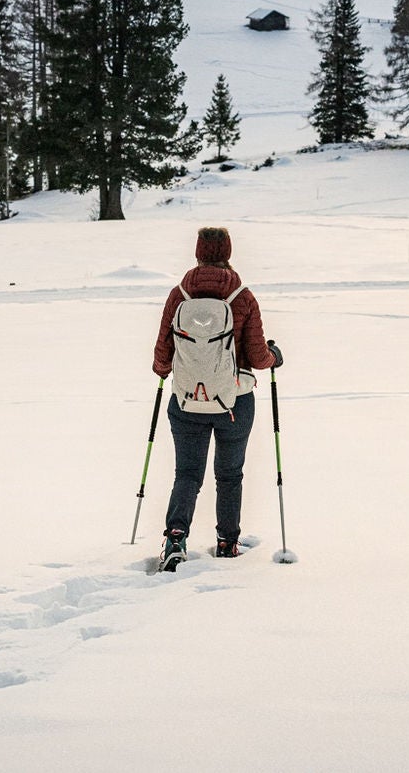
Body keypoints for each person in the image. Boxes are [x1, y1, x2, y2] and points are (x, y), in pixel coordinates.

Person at [151, 225, 281, 569]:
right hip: (234, 403)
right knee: (229, 475)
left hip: (187, 400)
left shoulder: (179, 295)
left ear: (197, 252)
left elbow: (162, 352)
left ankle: (175, 537)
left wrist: (163, 370)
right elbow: (257, 356)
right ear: (228, 252)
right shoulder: (242, 296)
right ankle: (227, 543)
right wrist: (273, 357)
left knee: (187, 474)